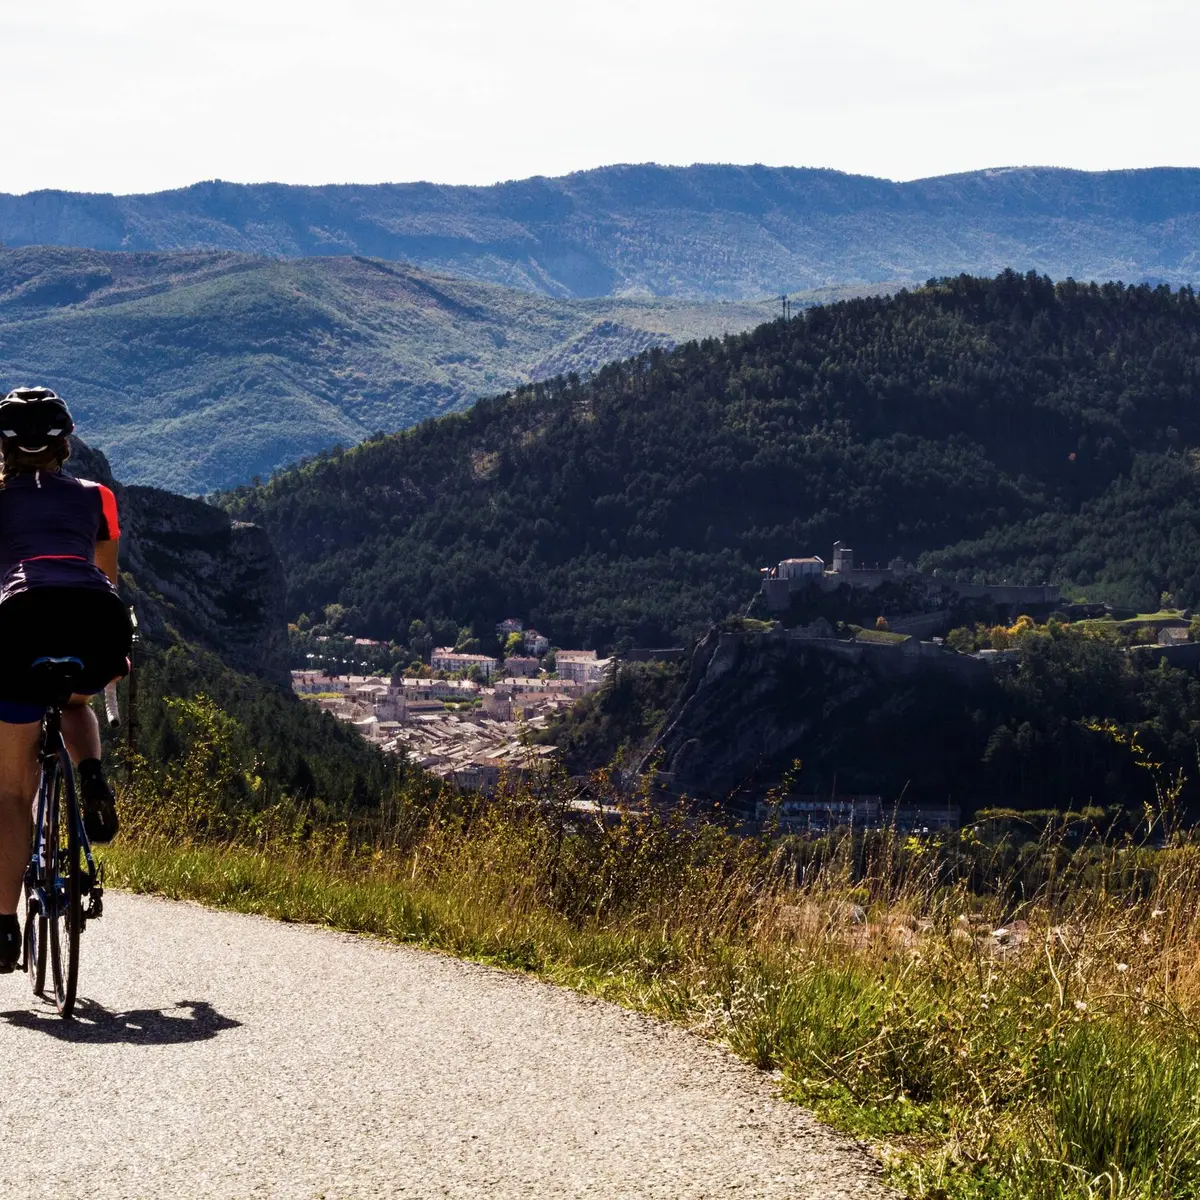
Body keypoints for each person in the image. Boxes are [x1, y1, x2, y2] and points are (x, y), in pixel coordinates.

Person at [0, 387, 128, 972]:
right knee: (75, 696)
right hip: (92, 621)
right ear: (65, 447)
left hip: (20, 623)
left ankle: (3, 927)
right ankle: (92, 772)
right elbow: (108, 575)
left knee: (11, 794)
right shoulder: (97, 497)